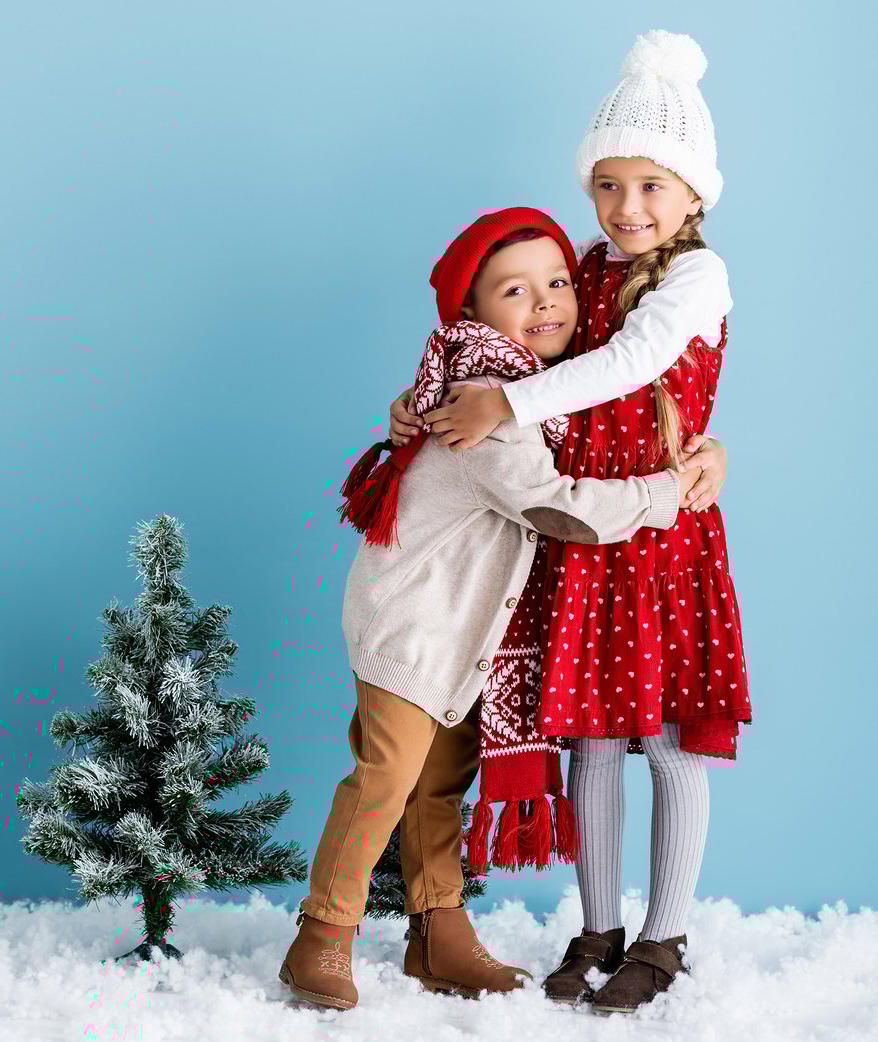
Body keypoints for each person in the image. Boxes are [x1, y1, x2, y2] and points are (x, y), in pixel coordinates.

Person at [389, 30, 745, 1015]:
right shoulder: (583, 267)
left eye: (651, 186)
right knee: (589, 738)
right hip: (586, 538)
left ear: (693, 192)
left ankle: (664, 934)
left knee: (668, 743)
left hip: (660, 535)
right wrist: (429, 398)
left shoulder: (697, 280)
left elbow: (633, 362)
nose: (628, 207)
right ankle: (597, 927)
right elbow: (510, 342)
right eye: (607, 185)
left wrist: (506, 405)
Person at [278, 206, 702, 1012]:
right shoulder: (485, 403)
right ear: (470, 312)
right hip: (415, 628)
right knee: (386, 780)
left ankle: (438, 936)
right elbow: (557, 507)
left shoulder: (525, 387)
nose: (545, 302)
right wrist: (664, 492)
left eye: (557, 283)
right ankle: (322, 934)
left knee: (440, 784)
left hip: (464, 633)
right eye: (515, 291)